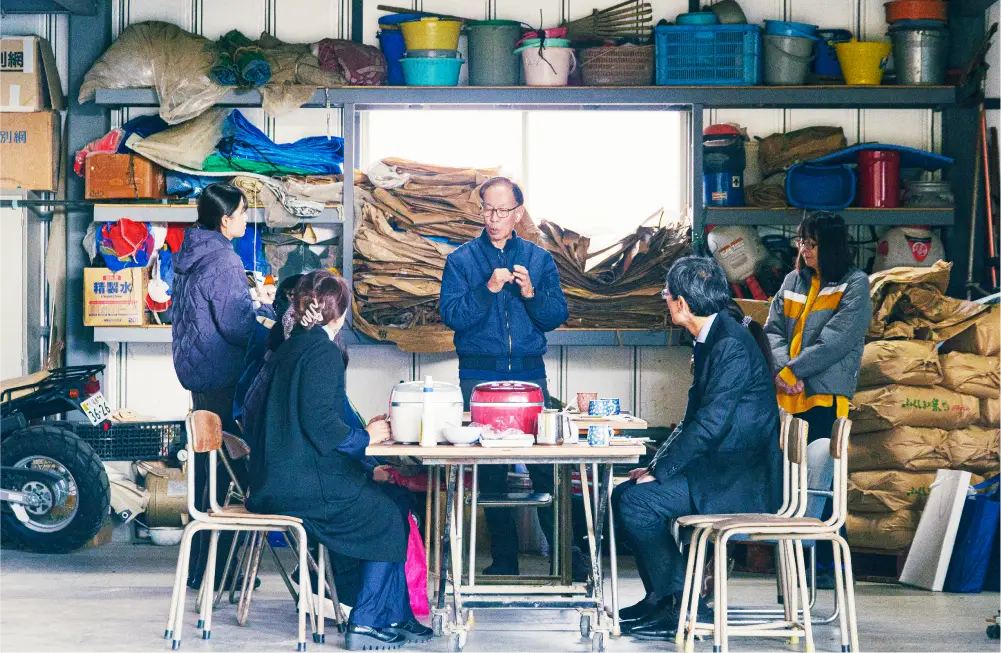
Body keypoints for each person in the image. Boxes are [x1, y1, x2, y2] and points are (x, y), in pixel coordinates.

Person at [246, 271, 431, 651]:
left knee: (395, 500)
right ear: (341, 312)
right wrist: (368, 438)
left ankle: (394, 614)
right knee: (384, 515)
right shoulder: (322, 352)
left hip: (281, 478)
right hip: (298, 485)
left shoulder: (292, 346)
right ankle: (365, 622)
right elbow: (322, 426)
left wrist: (364, 453)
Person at [612, 256, 782, 641]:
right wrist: (655, 466)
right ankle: (662, 599)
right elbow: (692, 420)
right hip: (720, 469)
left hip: (737, 480)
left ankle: (684, 605)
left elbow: (709, 425)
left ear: (683, 303)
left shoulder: (729, 345)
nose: (665, 299)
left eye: (666, 294)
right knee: (626, 493)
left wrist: (661, 472)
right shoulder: (712, 338)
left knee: (636, 502)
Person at [439, 177, 573, 577]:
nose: (493, 218)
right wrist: (488, 289)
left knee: (545, 464)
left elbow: (556, 315)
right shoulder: (461, 260)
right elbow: (453, 316)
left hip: (530, 374)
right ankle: (504, 559)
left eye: (502, 211)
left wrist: (531, 294)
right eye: (487, 209)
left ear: (518, 213)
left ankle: (566, 559)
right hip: (479, 375)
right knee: (490, 468)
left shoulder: (539, 259)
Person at [763, 211, 871, 587]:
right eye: (802, 242)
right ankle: (797, 561)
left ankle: (827, 565)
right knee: (791, 481)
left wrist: (794, 372)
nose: (804, 250)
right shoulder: (793, 281)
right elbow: (772, 329)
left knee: (822, 482)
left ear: (832, 246)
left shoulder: (855, 285)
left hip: (825, 397)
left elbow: (837, 340)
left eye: (812, 244)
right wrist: (782, 370)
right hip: (787, 399)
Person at [171, 182, 261, 589]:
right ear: (225, 220)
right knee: (231, 474)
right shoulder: (224, 259)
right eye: (242, 213)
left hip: (200, 375)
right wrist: (264, 307)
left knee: (207, 472)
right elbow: (237, 326)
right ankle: (220, 573)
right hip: (223, 376)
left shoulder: (191, 252)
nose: (246, 220)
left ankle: (200, 570)